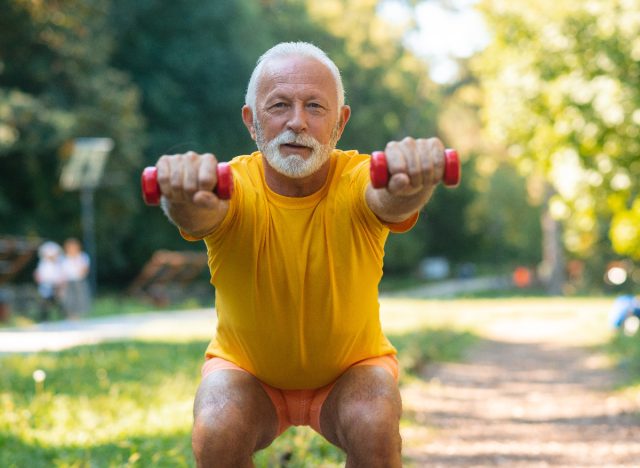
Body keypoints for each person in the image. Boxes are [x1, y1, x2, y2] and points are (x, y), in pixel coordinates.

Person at [154, 42, 449, 467]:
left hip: (351, 372)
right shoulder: (232, 186)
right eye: (278, 106)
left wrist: (414, 182)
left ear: (340, 124)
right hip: (247, 374)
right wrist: (180, 195)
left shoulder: (357, 177)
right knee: (217, 422)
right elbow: (199, 214)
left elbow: (391, 200)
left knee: (375, 416)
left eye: (315, 106)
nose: (298, 122)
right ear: (251, 121)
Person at [33, 241, 65, 321]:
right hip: (45, 285)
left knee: (58, 302)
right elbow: (38, 274)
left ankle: (62, 317)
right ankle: (44, 318)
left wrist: (60, 285)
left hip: (56, 284)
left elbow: (62, 274)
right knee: (44, 302)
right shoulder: (42, 263)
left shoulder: (59, 263)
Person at [61, 238, 92, 318]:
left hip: (79, 280)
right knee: (69, 299)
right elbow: (62, 271)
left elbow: (85, 269)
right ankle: (71, 315)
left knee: (81, 297)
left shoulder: (82, 256)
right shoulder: (64, 258)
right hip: (68, 281)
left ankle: (81, 315)